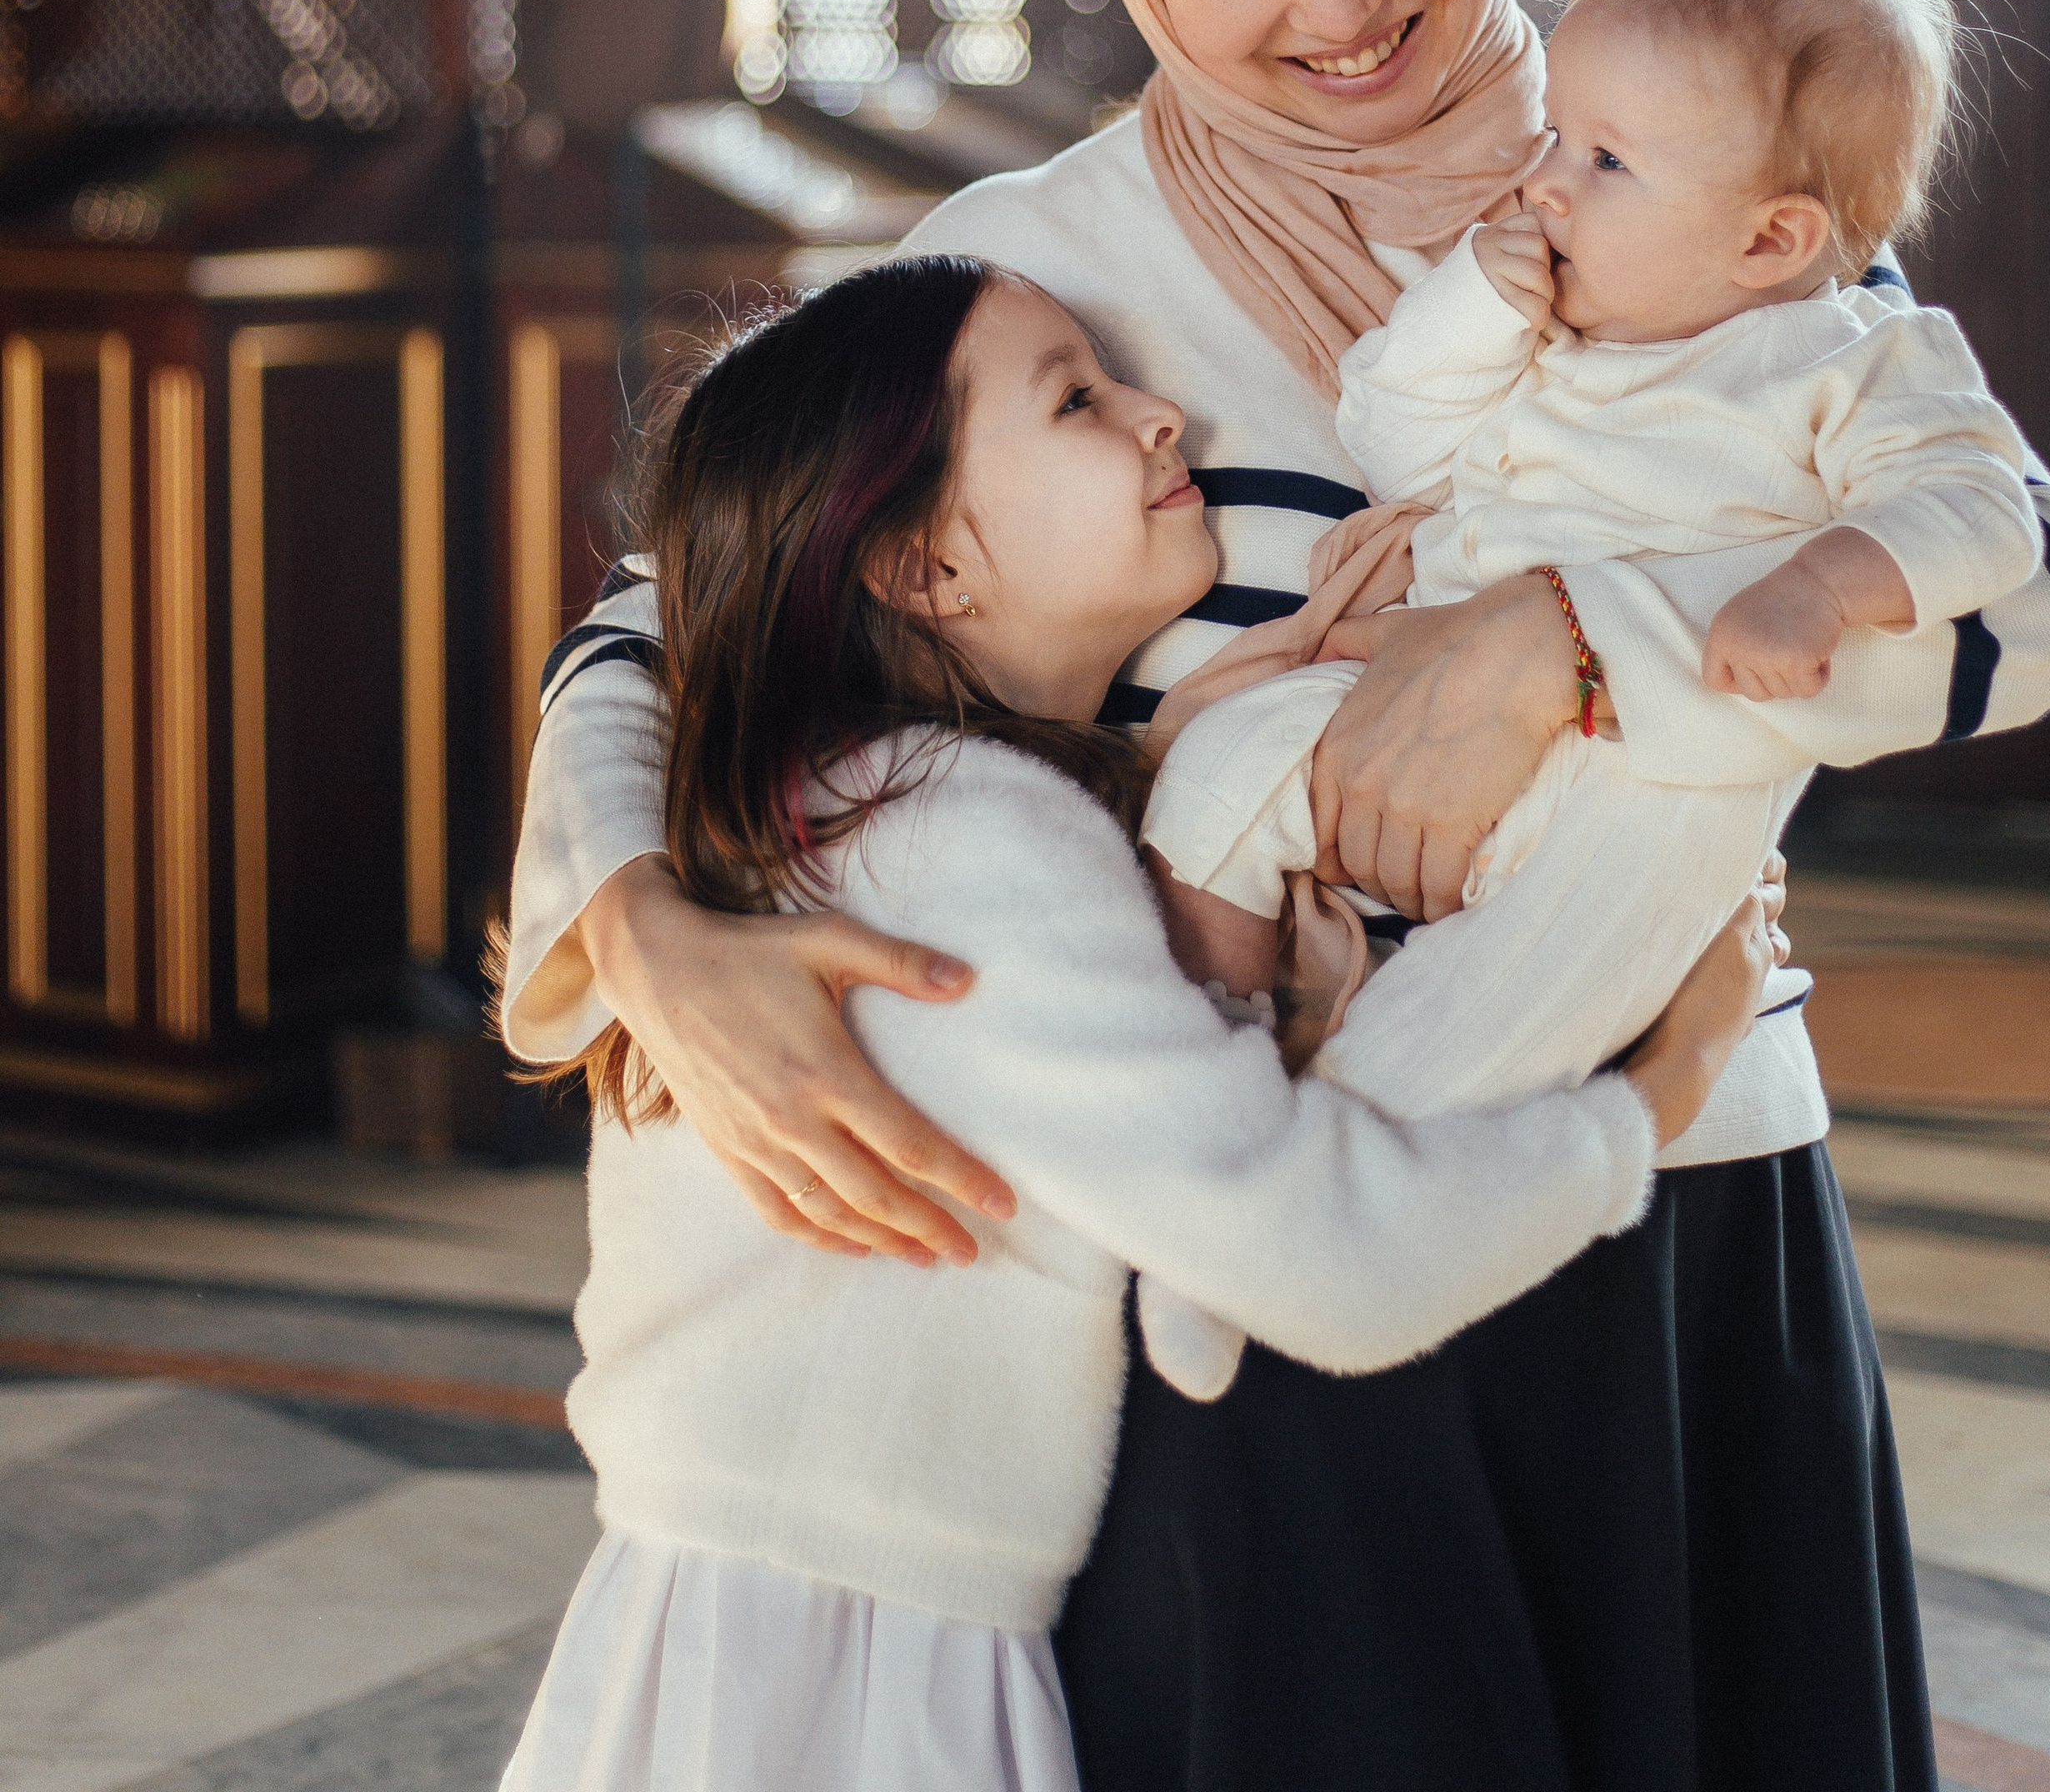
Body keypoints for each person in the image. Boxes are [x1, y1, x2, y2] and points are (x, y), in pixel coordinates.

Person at [511, 0, 2050, 1792]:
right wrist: (643, 927)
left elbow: (2033, 598)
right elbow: (667, 619)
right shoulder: (1021, 276)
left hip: (1681, 1163)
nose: (1340, 10)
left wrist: (1562, 646)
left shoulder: (1698, 160)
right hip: (1267, 1238)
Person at [498, 257, 1772, 1792]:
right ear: (924, 567)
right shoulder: (967, 848)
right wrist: (1666, 1085)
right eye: (1077, 401)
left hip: (726, 1617)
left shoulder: (832, 817)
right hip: (859, 1673)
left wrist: (1189, 768)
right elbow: (1323, 1257)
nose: (1162, 414)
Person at [1142, 0, 2044, 1013]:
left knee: (1505, 1021)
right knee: (1222, 764)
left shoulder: (1846, 356)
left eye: (1605, 160)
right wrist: (1473, 305)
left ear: (1770, 242)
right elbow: (1395, 442)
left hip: (1633, 771)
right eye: (1556, 135)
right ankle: (1214, 1024)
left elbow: (1982, 512)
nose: (1545, 186)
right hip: (1410, 692)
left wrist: (1820, 587)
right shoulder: (1556, 325)